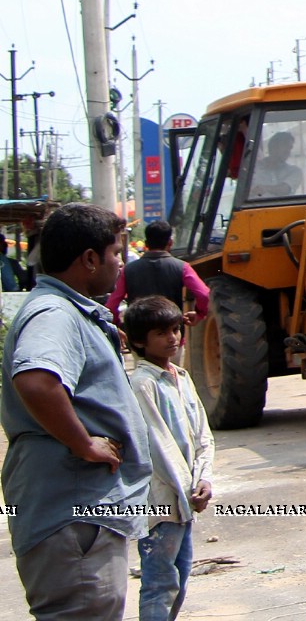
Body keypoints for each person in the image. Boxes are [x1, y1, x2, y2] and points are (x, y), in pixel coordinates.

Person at [1, 203, 152, 621]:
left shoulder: (69, 311)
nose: (121, 263)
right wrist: (84, 444)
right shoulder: (55, 314)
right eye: (116, 252)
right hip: (73, 516)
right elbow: (35, 380)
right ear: (88, 259)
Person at [124, 296, 213, 621]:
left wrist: (204, 478)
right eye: (161, 332)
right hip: (161, 503)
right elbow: (158, 446)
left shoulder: (182, 378)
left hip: (185, 500)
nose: (173, 338)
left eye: (175, 329)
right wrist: (187, 492)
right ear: (138, 340)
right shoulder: (142, 385)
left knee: (179, 579)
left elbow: (203, 435)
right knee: (159, 583)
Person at [107, 220, 209, 326]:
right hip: (171, 333)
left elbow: (111, 304)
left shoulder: (128, 270)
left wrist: (117, 325)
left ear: (146, 244)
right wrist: (200, 313)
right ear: (170, 243)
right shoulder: (182, 267)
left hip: (138, 335)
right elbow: (204, 294)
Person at [251, 131, 306, 197]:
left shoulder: (295, 172)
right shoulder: (252, 169)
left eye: (290, 148)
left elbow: (285, 189)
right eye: (284, 145)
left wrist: (265, 188)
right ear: (272, 147)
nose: (287, 151)